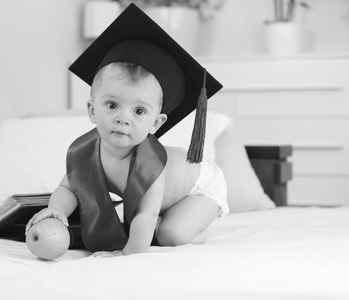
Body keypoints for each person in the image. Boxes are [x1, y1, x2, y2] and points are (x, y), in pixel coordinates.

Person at [25, 3, 228, 257]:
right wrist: (56, 210)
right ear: (92, 111)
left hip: (198, 186)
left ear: (156, 123)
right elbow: (68, 188)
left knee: (168, 235)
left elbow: (146, 213)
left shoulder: (152, 164)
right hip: (165, 199)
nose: (123, 118)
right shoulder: (85, 152)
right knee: (149, 225)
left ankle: (199, 230)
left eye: (139, 111)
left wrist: (126, 254)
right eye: (112, 105)